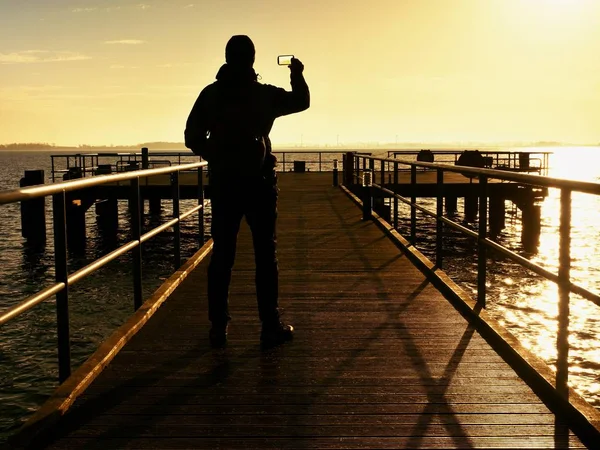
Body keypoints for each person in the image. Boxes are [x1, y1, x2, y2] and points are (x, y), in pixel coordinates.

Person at [184, 35, 310, 348]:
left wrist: (217, 154)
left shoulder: (211, 94)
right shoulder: (263, 95)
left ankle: (218, 327)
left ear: (227, 58)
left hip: (225, 184)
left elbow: (191, 135)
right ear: (252, 60)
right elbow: (301, 101)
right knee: (266, 256)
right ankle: (269, 325)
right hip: (260, 184)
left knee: (223, 255)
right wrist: (297, 73)